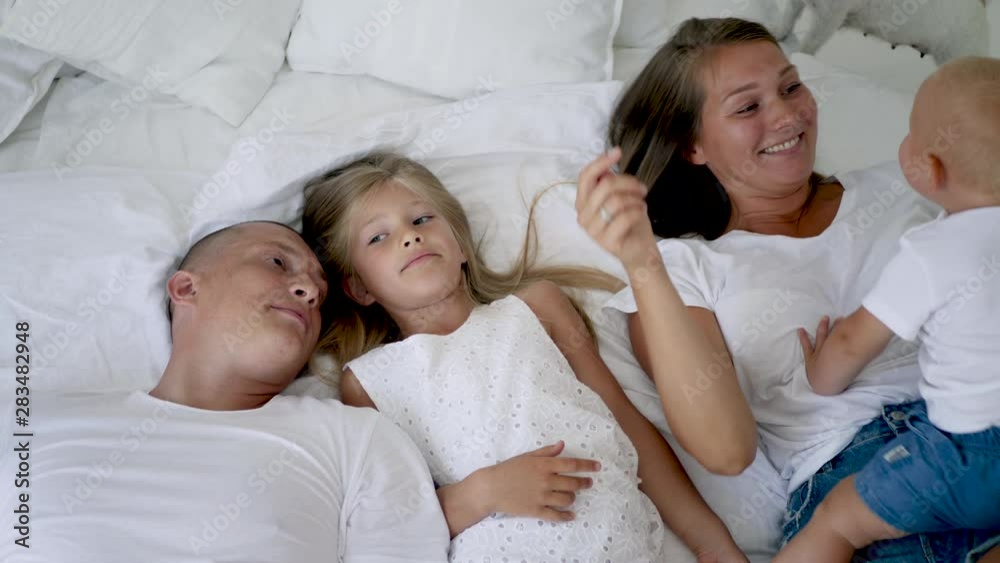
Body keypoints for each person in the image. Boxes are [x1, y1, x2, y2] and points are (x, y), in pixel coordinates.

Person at [574, 17, 1000, 562]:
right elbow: (727, 451)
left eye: (791, 86)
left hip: (979, 432)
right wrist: (643, 264)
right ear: (692, 145)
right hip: (863, 483)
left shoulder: (916, 181)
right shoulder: (681, 271)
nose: (788, 114)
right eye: (747, 107)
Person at [302, 152, 748, 562]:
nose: (410, 236)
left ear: (460, 244)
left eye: (421, 218)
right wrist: (487, 491)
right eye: (378, 237)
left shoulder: (536, 308)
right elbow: (392, 525)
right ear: (359, 287)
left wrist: (710, 541)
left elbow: (627, 427)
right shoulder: (371, 381)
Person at [0, 221, 450, 563]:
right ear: (186, 287)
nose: (310, 290)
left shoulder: (356, 440)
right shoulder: (28, 423)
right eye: (277, 263)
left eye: (319, 291)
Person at [775, 56, 1000, 562]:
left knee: (838, 520)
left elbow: (853, 341)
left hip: (962, 453)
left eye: (911, 133)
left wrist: (820, 374)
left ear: (930, 168)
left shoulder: (933, 250)